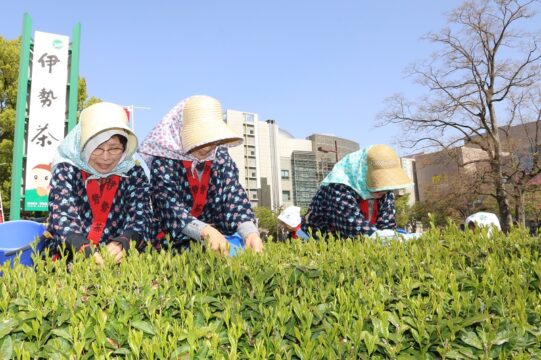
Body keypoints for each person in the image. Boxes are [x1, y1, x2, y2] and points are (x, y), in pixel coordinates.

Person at [139, 95, 264, 254]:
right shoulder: (165, 160)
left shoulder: (221, 157)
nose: (207, 148)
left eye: (212, 140)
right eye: (201, 140)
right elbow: (167, 205)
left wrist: (249, 232)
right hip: (171, 242)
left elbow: (233, 195)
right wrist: (204, 231)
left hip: (216, 242)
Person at [43, 102, 152, 265]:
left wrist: (124, 242)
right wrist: (82, 248)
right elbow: (62, 217)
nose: (106, 157)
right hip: (71, 257)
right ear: (83, 146)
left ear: (125, 148)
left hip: (120, 260)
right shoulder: (66, 170)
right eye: (97, 148)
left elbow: (141, 215)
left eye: (114, 148)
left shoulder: (133, 174)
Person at [301, 144, 413, 239]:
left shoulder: (387, 192)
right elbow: (353, 226)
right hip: (320, 239)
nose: (383, 190)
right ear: (362, 170)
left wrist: (390, 236)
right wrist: (381, 237)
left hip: (358, 242)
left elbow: (387, 225)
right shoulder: (339, 187)